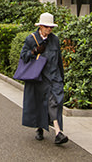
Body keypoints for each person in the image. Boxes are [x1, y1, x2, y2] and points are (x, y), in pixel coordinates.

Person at [20, 12, 68, 145]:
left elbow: (59, 60)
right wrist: (34, 51)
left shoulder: (55, 39)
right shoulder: (31, 39)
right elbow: (23, 56)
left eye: (51, 27)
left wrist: (61, 77)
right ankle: (40, 128)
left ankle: (58, 132)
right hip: (39, 78)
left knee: (55, 102)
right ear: (40, 26)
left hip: (54, 77)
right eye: (46, 27)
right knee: (41, 103)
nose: (49, 29)